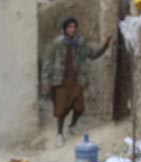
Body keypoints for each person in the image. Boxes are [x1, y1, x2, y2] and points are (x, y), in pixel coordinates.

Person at [41, 16, 112, 147]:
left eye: (74, 27)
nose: (72, 29)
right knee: (60, 110)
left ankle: (72, 125)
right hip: (60, 80)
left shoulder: (80, 43)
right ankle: (59, 134)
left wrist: (105, 46)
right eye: (69, 27)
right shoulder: (57, 43)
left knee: (79, 108)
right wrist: (46, 81)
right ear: (64, 29)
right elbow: (48, 62)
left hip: (76, 80)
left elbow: (92, 54)